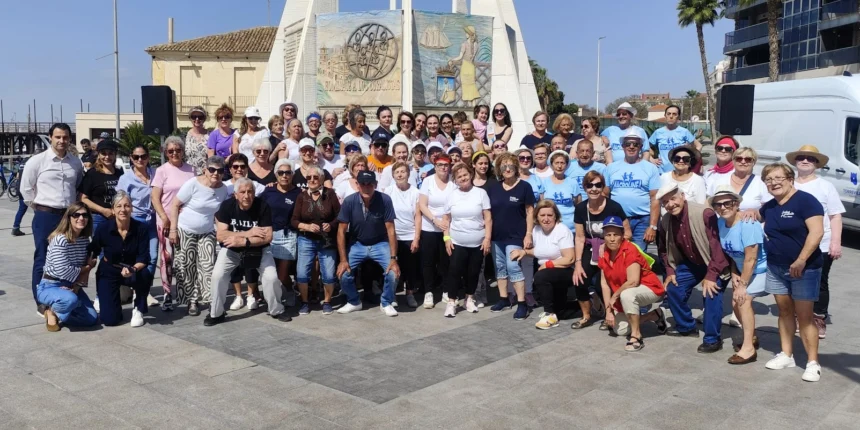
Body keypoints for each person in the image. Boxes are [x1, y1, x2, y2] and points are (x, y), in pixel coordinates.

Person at [759, 163, 825, 382]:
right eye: (769, 179)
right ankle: (786, 355)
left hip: (804, 269)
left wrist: (801, 260)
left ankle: (813, 363)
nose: (774, 183)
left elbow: (817, 232)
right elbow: (755, 216)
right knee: (784, 311)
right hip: (776, 267)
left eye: (778, 178)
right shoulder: (769, 207)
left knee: (805, 316)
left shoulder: (806, 201)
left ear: (790, 179)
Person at [657, 183, 730, 353]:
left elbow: (717, 248)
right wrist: (670, 271)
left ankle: (712, 339)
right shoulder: (666, 220)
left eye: (673, 199)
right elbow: (663, 249)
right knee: (673, 288)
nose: (670, 204)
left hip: (714, 262)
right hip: (692, 263)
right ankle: (686, 327)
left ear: (683, 197)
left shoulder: (704, 213)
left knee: (710, 293)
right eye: (665, 202)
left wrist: (711, 276)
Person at [206, 178, 288, 325]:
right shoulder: (227, 206)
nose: (246, 195)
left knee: (271, 278)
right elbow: (221, 235)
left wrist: (244, 241)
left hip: (259, 250)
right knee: (217, 276)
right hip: (231, 250)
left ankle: (276, 310)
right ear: (235, 194)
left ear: (254, 193)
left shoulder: (262, 206)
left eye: (250, 192)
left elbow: (267, 237)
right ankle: (216, 313)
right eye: (242, 192)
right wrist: (248, 233)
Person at [22, 123, 85, 313]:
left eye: (65, 137)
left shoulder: (75, 162)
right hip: (46, 215)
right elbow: (26, 189)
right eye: (58, 137)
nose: (61, 141)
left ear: (70, 139)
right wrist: (40, 208)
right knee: (42, 257)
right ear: (50, 137)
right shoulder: (37, 161)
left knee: (68, 258)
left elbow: (78, 185)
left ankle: (63, 297)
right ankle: (41, 302)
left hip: (68, 216)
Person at [789, 145, 844, 339]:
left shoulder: (826, 186)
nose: (805, 161)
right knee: (794, 281)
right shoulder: (789, 185)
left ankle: (818, 318)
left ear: (817, 164)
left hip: (821, 243)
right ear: (795, 162)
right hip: (793, 244)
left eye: (810, 158)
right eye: (801, 157)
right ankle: (799, 317)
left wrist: (835, 242)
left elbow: (835, 216)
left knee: (820, 282)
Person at [710, 186, 768, 365]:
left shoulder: (748, 224)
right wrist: (735, 272)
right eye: (718, 204)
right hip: (743, 270)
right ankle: (752, 336)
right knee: (735, 302)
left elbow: (751, 258)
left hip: (763, 270)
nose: (723, 207)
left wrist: (742, 284)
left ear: (736, 204)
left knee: (743, 299)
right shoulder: (721, 223)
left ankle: (748, 349)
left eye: (728, 203)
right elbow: (733, 254)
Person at [169, 156, 230, 316]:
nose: (216, 173)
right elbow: (175, 205)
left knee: (208, 266)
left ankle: (210, 300)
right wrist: (173, 230)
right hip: (185, 229)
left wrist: (222, 232)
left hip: (207, 231)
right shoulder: (193, 184)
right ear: (205, 170)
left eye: (220, 170)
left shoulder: (223, 189)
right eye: (212, 169)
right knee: (187, 266)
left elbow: (220, 213)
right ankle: (192, 300)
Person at [598, 216, 667, 350]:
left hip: (649, 288)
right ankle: (655, 315)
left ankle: (636, 336)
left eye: (616, 235)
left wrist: (614, 296)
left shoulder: (629, 250)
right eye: (608, 235)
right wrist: (608, 311)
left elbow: (633, 281)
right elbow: (604, 284)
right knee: (620, 330)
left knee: (627, 295)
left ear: (622, 235)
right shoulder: (603, 253)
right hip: (626, 291)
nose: (612, 239)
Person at [336, 171, 400, 316]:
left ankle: (386, 302)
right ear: (357, 185)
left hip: (380, 243)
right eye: (363, 184)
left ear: (375, 185)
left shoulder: (385, 200)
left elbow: (391, 230)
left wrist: (393, 259)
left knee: (393, 273)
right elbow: (341, 231)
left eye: (369, 184)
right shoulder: (349, 201)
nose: (366, 187)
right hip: (358, 244)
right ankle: (354, 301)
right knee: (343, 273)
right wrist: (343, 260)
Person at [574, 171, 630, 330]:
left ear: (603, 187)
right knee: (579, 279)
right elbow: (579, 237)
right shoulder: (580, 208)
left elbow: (627, 233)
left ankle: (609, 314)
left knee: (603, 283)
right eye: (589, 185)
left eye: (598, 185)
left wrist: (608, 244)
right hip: (590, 248)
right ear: (584, 187)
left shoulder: (613, 207)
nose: (594, 189)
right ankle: (586, 316)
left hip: (611, 249)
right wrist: (578, 263)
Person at [89, 192, 153, 327]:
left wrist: (133, 269)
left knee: (145, 274)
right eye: (118, 206)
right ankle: (114, 303)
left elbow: (144, 257)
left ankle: (139, 308)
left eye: (127, 206)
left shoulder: (141, 228)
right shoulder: (103, 228)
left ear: (132, 208)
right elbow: (94, 249)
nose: (123, 210)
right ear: (113, 210)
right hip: (109, 269)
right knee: (110, 320)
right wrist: (88, 264)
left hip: (133, 269)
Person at [510, 200, 572, 328]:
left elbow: (569, 258)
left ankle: (549, 314)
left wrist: (549, 265)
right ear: (537, 217)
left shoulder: (562, 230)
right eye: (542, 215)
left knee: (540, 276)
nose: (546, 219)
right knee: (562, 311)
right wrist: (524, 252)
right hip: (549, 272)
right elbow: (541, 251)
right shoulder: (536, 230)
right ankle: (586, 303)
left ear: (555, 216)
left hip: (565, 270)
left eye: (550, 215)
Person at [36, 203, 98, 331]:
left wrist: (76, 287)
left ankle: (62, 311)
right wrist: (87, 267)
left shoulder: (84, 240)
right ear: (69, 218)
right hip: (51, 285)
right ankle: (51, 310)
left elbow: (84, 269)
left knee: (91, 319)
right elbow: (63, 271)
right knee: (70, 300)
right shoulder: (60, 239)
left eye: (85, 215)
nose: (81, 218)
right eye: (76, 215)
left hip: (72, 284)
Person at [151, 137, 196, 311]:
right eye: (171, 151)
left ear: (183, 151)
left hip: (187, 222)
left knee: (187, 259)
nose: (175, 153)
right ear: (166, 153)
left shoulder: (192, 170)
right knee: (167, 258)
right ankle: (167, 293)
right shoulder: (161, 171)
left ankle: (189, 294)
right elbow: (155, 198)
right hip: (166, 221)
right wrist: (164, 218)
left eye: (178, 150)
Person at [486, 153, 533, 319]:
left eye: (510, 166)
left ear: (516, 167)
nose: (507, 169)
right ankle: (504, 299)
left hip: (516, 235)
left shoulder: (525, 187)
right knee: (500, 267)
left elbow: (530, 212)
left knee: (513, 266)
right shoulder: (493, 187)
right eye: (504, 166)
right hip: (497, 236)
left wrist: (528, 234)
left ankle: (522, 303)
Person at [442, 164, 492, 317]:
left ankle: (469, 299)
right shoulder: (452, 195)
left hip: (478, 242)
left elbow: (488, 218)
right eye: (459, 177)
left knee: (473, 272)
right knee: (454, 272)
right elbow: (446, 219)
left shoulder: (481, 193)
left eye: (465, 175)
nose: (463, 178)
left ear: (470, 175)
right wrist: (446, 238)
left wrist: (487, 238)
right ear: (455, 180)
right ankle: (451, 302)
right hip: (457, 242)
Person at [291, 165, 340, 315]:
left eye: (315, 177)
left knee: (329, 274)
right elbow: (294, 220)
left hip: (327, 240)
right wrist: (306, 226)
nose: (312, 180)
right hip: (306, 239)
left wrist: (331, 225)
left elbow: (340, 216)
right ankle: (305, 302)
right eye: (309, 177)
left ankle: (327, 301)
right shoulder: (301, 196)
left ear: (322, 179)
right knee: (301, 273)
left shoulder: (330, 194)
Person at [604, 129, 661, 251]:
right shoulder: (611, 168)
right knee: (617, 253)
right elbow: (605, 196)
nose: (631, 147)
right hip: (617, 219)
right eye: (628, 144)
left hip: (642, 220)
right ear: (622, 146)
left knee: (637, 254)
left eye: (635, 144)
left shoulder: (651, 168)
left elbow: (655, 198)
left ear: (641, 146)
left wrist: (652, 226)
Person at [116, 144, 158, 305]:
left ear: (148, 157)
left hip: (152, 220)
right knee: (136, 258)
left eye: (143, 156)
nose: (140, 159)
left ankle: (144, 291)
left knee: (152, 257)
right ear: (131, 158)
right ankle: (137, 292)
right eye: (136, 157)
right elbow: (121, 201)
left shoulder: (156, 173)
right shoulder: (126, 178)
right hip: (135, 221)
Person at [260, 159, 302, 312]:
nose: (284, 175)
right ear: (276, 174)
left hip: (288, 235)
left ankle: (289, 290)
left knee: (282, 274)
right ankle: (275, 298)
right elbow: (259, 209)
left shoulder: (299, 193)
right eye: (281, 172)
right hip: (269, 235)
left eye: (288, 172)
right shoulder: (268, 191)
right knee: (270, 271)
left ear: (292, 175)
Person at [418, 152, 455, 308]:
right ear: (435, 166)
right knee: (428, 262)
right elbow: (422, 204)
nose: (443, 168)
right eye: (440, 165)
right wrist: (435, 220)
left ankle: (446, 290)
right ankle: (429, 292)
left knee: (446, 261)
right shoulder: (428, 181)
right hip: (429, 227)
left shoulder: (454, 181)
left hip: (448, 228)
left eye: (446, 165)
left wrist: (445, 223)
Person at [383, 161, 422, 308]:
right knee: (393, 266)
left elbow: (418, 216)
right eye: (397, 172)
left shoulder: (415, 192)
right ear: (393, 175)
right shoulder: (388, 191)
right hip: (392, 236)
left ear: (408, 174)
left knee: (410, 268)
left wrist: (416, 238)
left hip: (409, 236)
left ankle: (410, 293)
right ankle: (392, 294)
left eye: (403, 171)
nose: (400, 175)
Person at [707, 146, 771, 220]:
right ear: (733, 161)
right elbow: (708, 203)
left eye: (748, 159)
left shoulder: (761, 183)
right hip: (722, 224)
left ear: (754, 162)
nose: (743, 162)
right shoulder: (720, 181)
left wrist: (756, 212)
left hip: (749, 224)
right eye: (739, 159)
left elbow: (769, 209)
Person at [79, 138, 122, 234]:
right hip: (98, 219)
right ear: (98, 155)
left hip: (118, 217)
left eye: (110, 153)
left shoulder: (120, 174)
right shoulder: (92, 174)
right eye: (103, 153)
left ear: (115, 155)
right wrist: (103, 210)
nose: (107, 157)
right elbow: (83, 198)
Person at [648, 105, 701, 173]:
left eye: (674, 114)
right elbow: (645, 147)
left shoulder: (684, 132)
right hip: (662, 172)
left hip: (680, 172)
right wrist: (651, 159)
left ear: (678, 117)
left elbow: (698, 146)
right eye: (669, 114)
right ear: (665, 115)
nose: (671, 116)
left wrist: (691, 159)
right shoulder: (658, 132)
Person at [541, 150, 579, 231]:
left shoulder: (573, 182)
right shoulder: (544, 182)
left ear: (566, 165)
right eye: (556, 163)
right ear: (552, 165)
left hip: (570, 227)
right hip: (550, 226)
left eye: (562, 163)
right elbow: (541, 204)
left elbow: (578, 204)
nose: (559, 166)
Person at [565, 139, 606, 205]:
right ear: (577, 153)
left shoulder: (602, 168)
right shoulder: (568, 167)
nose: (584, 154)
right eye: (582, 151)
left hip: (595, 205)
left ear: (593, 153)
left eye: (588, 151)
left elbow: (605, 190)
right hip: (574, 205)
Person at [448, 25, 481, 104]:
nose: (465, 34)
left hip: (465, 67)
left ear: (469, 34)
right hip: (471, 67)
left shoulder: (464, 44)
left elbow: (460, 57)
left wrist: (451, 59)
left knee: (466, 89)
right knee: (472, 88)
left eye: (466, 33)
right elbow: (472, 57)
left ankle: (469, 107)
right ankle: (474, 106)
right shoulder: (476, 45)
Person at [185, 106, 211, 174]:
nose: (197, 119)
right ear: (190, 118)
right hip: (189, 173)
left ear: (204, 119)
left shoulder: (210, 136)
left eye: (200, 117)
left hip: (205, 174)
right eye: (194, 116)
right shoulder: (184, 136)